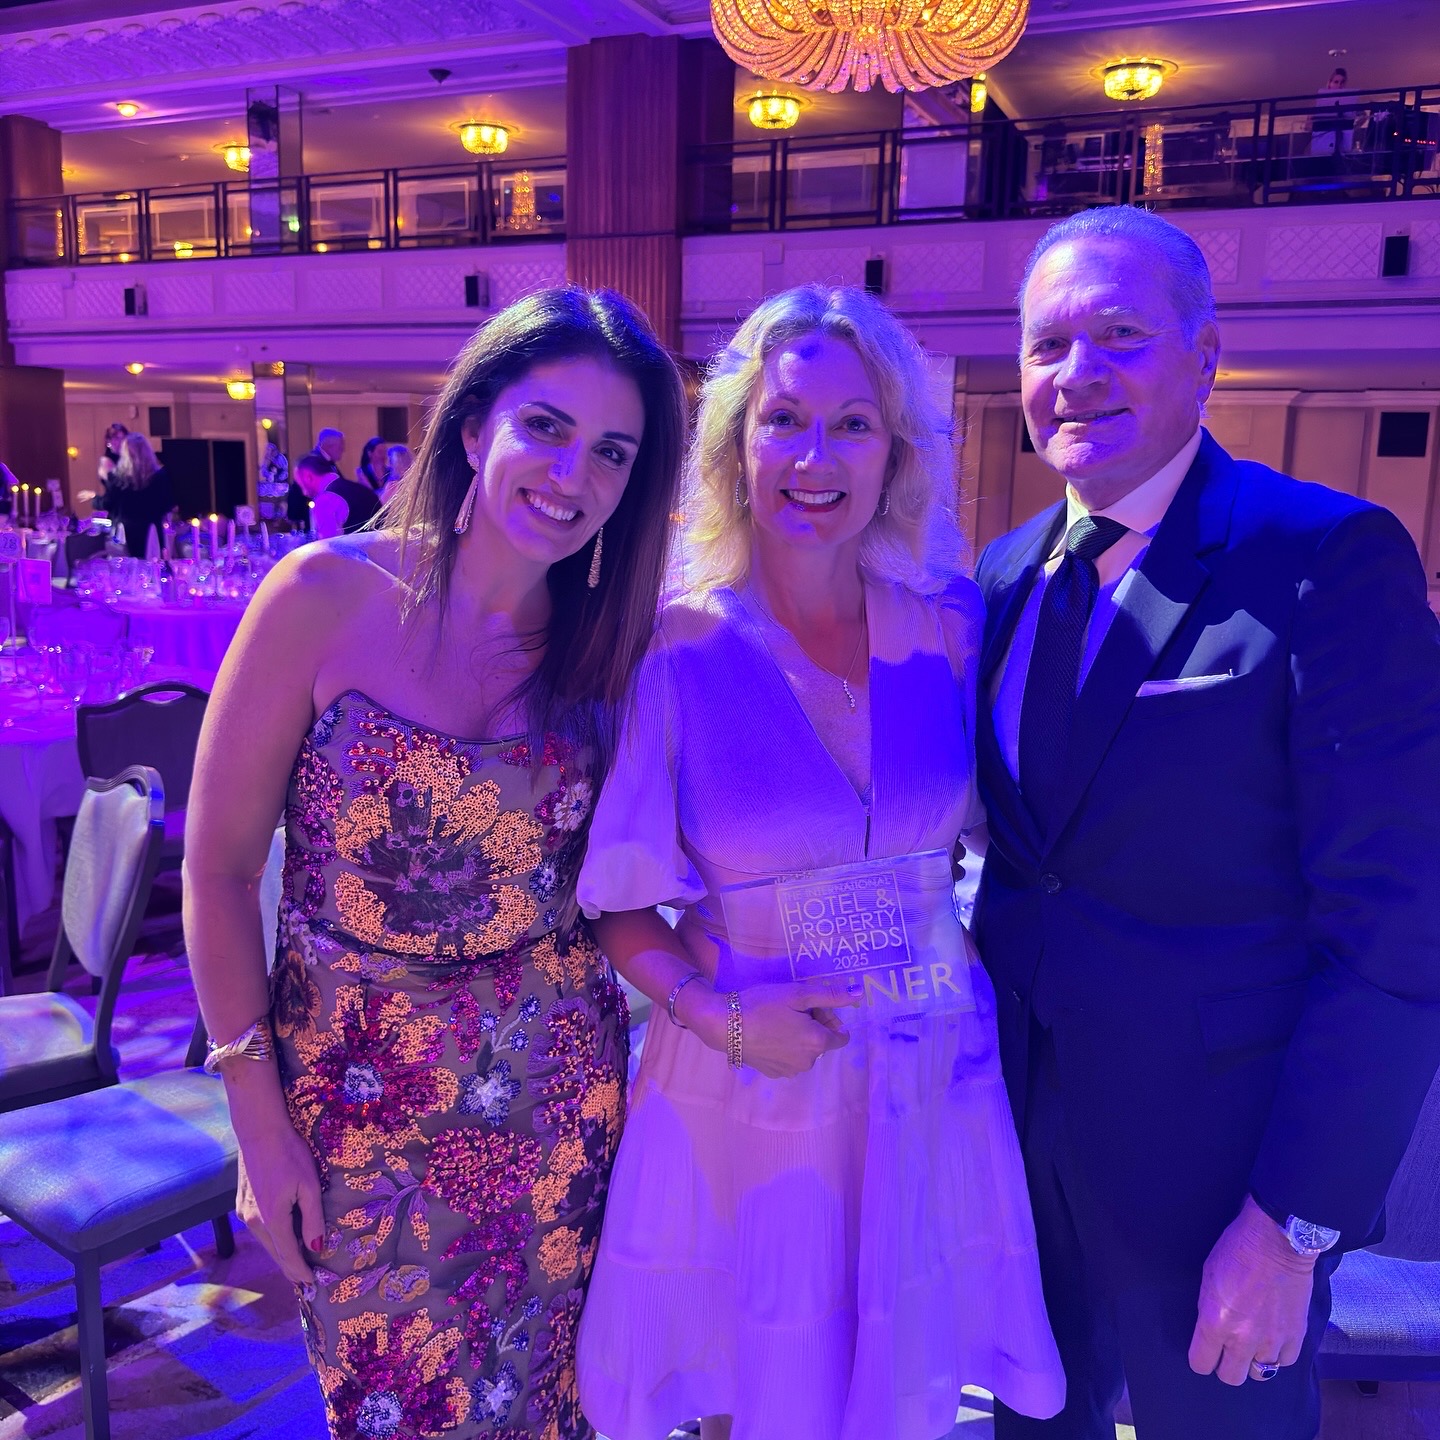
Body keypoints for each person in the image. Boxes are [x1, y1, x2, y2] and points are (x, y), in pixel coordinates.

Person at [182, 286, 687, 1440]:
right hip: (356, 1112)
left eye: (612, 453)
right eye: (546, 426)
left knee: (557, 1408)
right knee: (394, 1409)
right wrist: (256, 1119)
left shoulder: (614, 649)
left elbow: (636, 883)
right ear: (472, 427)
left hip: (560, 1104)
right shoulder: (323, 598)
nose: (571, 474)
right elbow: (216, 872)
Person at [973, 205, 1440, 1440]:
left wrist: (1291, 1230)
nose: (1077, 373)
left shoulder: (1323, 556)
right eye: (1047, 345)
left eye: (1120, 335)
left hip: (1226, 1192)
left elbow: (1395, 932)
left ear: (1206, 356)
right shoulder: (1001, 576)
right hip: (1014, 1171)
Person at [575, 284, 1064, 1440]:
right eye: (785, 420)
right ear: (734, 444)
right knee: (761, 1378)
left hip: (929, 1067)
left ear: (895, 454)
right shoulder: (672, 650)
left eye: (853, 424)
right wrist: (723, 1017)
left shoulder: (950, 625)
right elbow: (618, 906)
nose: (816, 457)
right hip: (753, 1074)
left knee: (902, 1378)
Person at [107, 432, 175, 557]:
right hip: (152, 531)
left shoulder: (117, 478)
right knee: (153, 565)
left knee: (127, 566)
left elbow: (112, 506)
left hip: (126, 531)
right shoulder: (159, 477)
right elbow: (167, 506)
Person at [294, 452, 381, 537]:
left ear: (308, 477)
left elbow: (327, 543)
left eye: (300, 483)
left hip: (354, 546)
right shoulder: (363, 490)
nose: (304, 493)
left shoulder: (324, 500)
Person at [287, 430, 344, 528]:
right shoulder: (314, 462)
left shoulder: (327, 462)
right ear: (329, 446)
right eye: (340, 447)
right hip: (309, 516)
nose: (343, 450)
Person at [95, 420, 129, 513]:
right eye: (117, 438)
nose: (122, 442)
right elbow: (116, 487)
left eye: (124, 438)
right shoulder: (106, 461)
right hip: (118, 509)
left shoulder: (128, 458)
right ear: (108, 441)